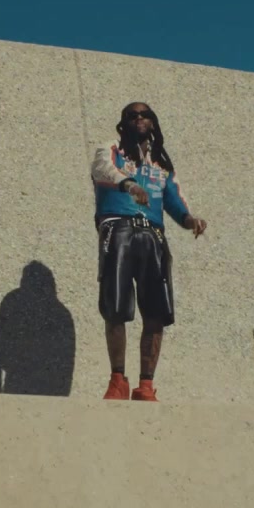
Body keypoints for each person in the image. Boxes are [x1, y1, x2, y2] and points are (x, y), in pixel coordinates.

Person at [89, 102, 208, 401]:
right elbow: (103, 170)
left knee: (156, 311)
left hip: (153, 234)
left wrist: (189, 219)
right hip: (118, 228)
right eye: (132, 115)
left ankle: (146, 383)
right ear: (123, 123)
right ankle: (118, 378)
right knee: (115, 306)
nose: (139, 119)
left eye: (145, 115)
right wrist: (130, 185)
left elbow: (174, 199)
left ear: (153, 122)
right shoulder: (111, 149)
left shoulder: (161, 164)